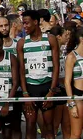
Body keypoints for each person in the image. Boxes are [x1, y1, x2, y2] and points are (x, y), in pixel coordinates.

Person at [17, 9, 60, 140]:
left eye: (27, 23)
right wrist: (25, 94)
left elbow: (56, 67)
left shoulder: (50, 39)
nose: (24, 26)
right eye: (23, 23)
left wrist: (52, 91)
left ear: (35, 22)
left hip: (47, 87)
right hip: (30, 88)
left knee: (49, 127)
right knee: (30, 126)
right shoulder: (22, 43)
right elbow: (21, 70)